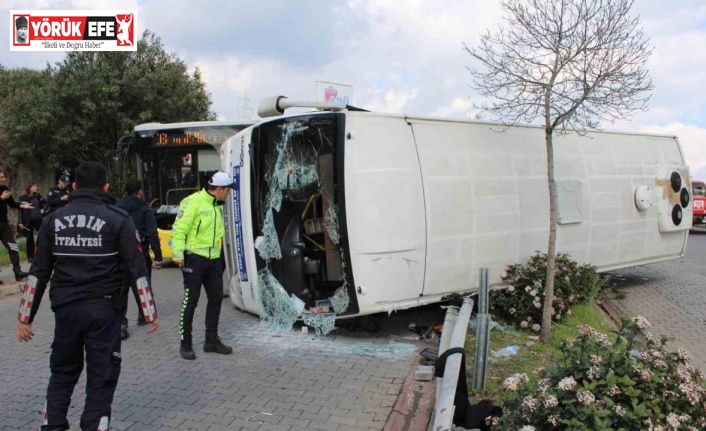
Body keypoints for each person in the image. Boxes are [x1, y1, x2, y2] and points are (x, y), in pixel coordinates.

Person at [16, 162, 159, 431]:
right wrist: (149, 312)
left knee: (62, 372)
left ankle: (53, 424)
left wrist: (25, 318)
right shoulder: (118, 218)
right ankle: (95, 426)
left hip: (66, 311)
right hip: (105, 311)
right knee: (102, 377)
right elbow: (136, 269)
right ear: (106, 187)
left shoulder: (52, 220)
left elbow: (38, 273)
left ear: (73, 187)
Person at [172, 171, 234, 360]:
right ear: (220, 189)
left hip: (213, 260)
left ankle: (211, 341)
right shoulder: (193, 202)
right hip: (194, 259)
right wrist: (178, 254)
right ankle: (185, 343)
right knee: (190, 301)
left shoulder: (217, 205)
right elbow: (179, 228)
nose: (229, 193)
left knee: (215, 298)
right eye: (228, 190)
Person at [117, 179, 163, 340]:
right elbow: (152, 233)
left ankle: (122, 323)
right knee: (143, 284)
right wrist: (158, 256)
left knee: (122, 289)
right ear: (140, 192)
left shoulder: (117, 208)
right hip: (139, 253)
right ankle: (145, 315)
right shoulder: (145, 209)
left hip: (120, 255)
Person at [0, 171, 32, 281]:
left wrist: (23, 205)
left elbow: (12, 203)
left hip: (4, 225)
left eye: (3, 176)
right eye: (1, 177)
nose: (3, 179)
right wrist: (1, 198)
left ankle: (17, 271)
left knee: (13, 246)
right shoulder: (3, 194)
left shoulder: (4, 188)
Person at [19, 182, 48, 263]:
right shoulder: (23, 197)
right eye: (34, 186)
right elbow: (20, 210)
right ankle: (30, 256)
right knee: (29, 239)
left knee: (42, 236)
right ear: (30, 188)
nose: (36, 188)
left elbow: (47, 203)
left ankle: (41, 254)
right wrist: (20, 221)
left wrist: (43, 210)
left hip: (38, 219)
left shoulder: (38, 196)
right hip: (28, 220)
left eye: (36, 186)